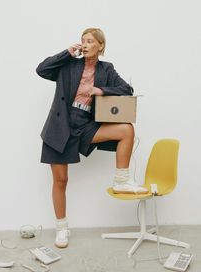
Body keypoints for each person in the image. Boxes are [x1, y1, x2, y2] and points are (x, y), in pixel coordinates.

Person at [36, 28, 148, 248]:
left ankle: (122, 180)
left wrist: (101, 90)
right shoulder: (68, 64)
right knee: (60, 180)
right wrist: (67, 53)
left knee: (126, 129)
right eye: (82, 41)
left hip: (86, 124)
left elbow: (127, 88)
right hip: (61, 126)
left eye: (89, 41)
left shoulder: (107, 69)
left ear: (100, 46)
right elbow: (41, 69)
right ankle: (61, 228)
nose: (85, 44)